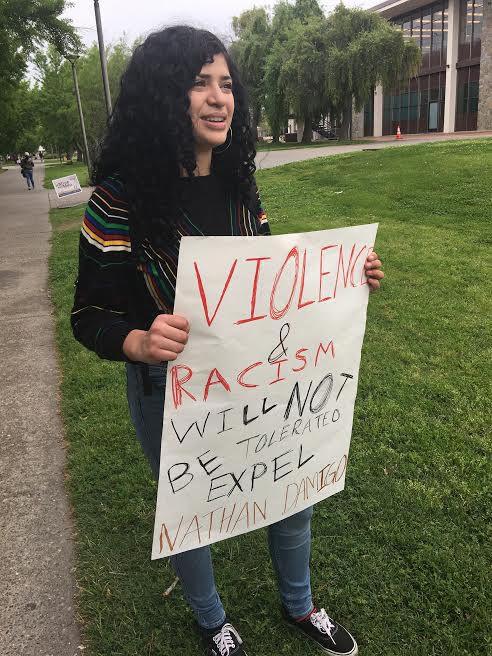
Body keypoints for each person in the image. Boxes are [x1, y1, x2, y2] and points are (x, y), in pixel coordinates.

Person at [71, 25, 384, 656]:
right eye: (199, 83)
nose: (220, 99)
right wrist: (135, 340)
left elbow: (270, 284)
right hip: (171, 390)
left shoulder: (241, 184)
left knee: (291, 489)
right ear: (164, 95)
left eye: (226, 84)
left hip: (261, 377)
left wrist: (346, 279)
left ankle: (301, 606)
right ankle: (214, 623)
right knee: (191, 514)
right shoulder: (118, 201)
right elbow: (88, 314)